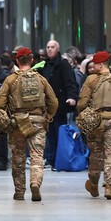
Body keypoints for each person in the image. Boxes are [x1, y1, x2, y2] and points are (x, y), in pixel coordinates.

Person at [0, 47, 58, 201]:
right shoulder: (41, 79)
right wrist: (49, 114)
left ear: (17, 61)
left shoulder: (10, 79)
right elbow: (53, 101)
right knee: (37, 156)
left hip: (18, 122)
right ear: (31, 60)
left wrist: (3, 117)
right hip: (38, 121)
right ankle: (35, 182)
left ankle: (19, 191)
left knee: (18, 157)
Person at [77, 50, 111, 200]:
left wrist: (84, 111)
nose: (92, 67)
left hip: (96, 122)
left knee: (96, 154)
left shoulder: (91, 80)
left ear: (101, 65)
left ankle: (93, 183)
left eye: (94, 64)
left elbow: (82, 103)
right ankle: (109, 187)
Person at [40, 40, 79, 168]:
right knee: (49, 133)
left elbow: (70, 82)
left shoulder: (63, 64)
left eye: (52, 47)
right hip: (46, 105)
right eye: (48, 47)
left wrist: (72, 97)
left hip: (60, 104)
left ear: (58, 49)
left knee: (59, 132)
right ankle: (51, 159)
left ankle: (58, 159)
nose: (50, 49)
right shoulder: (43, 65)